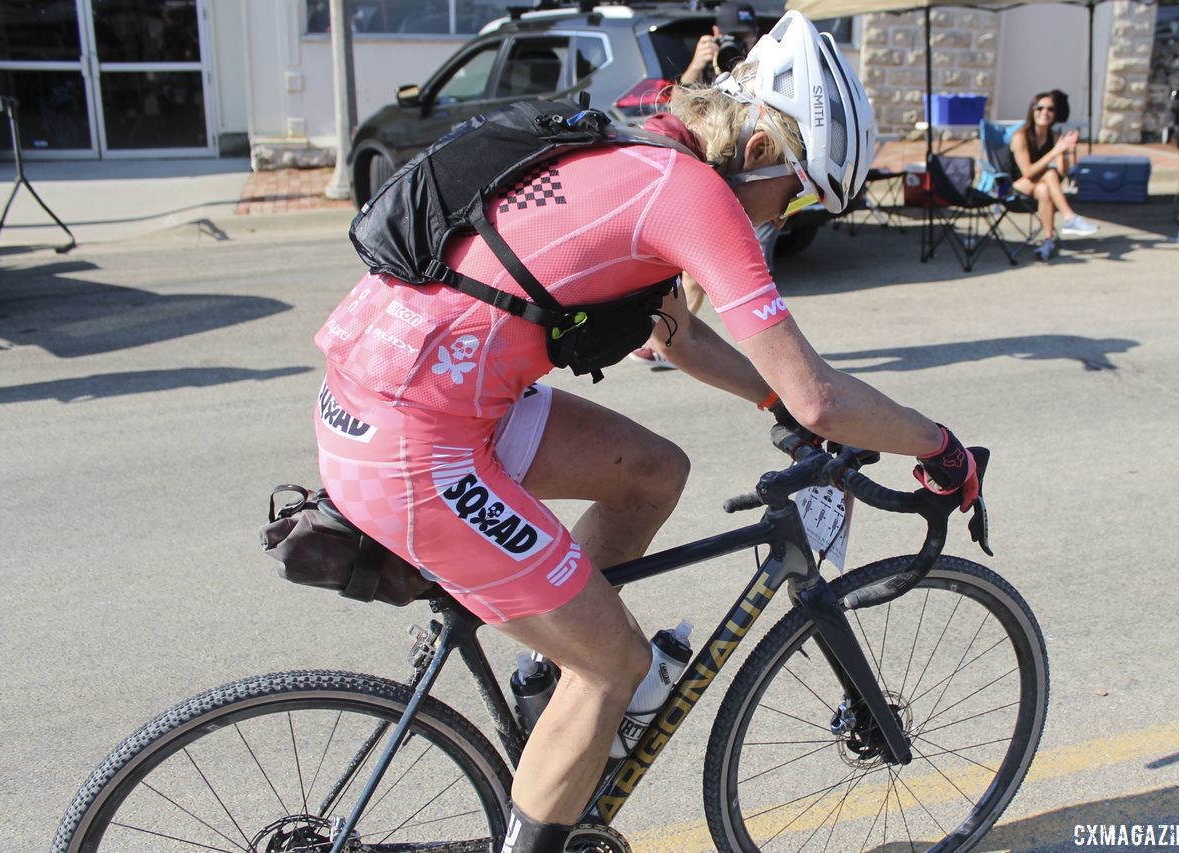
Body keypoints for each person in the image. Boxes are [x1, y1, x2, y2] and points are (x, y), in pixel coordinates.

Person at [312, 12, 982, 852]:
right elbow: (817, 395)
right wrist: (938, 446)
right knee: (615, 663)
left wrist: (771, 407)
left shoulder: (649, 135)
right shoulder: (691, 192)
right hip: (416, 442)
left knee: (653, 470)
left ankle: (544, 679)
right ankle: (575, 693)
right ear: (767, 149)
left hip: (394, 395)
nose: (788, 212)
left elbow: (678, 337)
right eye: (802, 189)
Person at [631, 0, 775, 370]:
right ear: (715, 34)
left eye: (746, 35)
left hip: (749, 185)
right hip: (704, 186)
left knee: (743, 275)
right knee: (695, 274)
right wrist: (698, 65)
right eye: (731, 36)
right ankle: (672, 341)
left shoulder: (762, 69)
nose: (739, 43)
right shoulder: (703, 68)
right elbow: (673, 110)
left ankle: (676, 341)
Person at [1008, 91, 1099, 262]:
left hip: (1039, 186)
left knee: (1045, 188)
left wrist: (1069, 150)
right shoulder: (1021, 136)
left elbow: (1064, 171)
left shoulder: (1055, 136)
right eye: (1040, 108)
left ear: (1055, 114)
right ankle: (1069, 217)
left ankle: (1048, 242)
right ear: (1032, 110)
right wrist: (1055, 151)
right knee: (1049, 174)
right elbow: (1027, 172)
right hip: (1016, 185)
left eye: (1050, 109)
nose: (1045, 112)